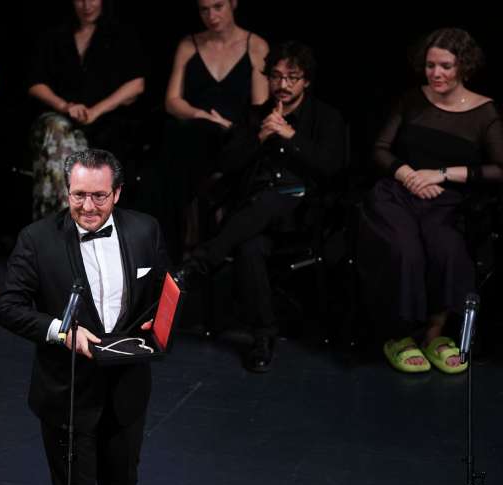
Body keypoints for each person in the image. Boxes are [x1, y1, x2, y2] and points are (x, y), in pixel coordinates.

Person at [0, 149, 168, 485]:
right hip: (68, 393)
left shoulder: (145, 230)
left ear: (117, 192)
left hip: (127, 389)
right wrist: (63, 332)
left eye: (99, 196)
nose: (88, 207)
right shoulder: (37, 239)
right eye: (79, 195)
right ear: (66, 191)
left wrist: (156, 322)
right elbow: (8, 308)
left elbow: (161, 291)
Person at [178, 41, 347, 372]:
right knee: (250, 245)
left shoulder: (325, 117)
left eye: (292, 78)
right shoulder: (255, 115)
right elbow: (226, 164)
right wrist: (259, 138)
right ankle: (263, 338)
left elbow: (333, 167)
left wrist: (290, 136)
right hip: (254, 215)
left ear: (306, 81)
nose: (283, 84)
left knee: (271, 200)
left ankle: (200, 261)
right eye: (276, 76)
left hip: (302, 212)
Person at [358, 28, 503, 374]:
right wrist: (409, 175)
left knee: (447, 250)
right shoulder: (411, 99)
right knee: (404, 250)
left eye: (445, 66)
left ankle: (434, 335)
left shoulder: (485, 112)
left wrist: (440, 173)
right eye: (430, 65)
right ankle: (401, 336)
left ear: (463, 66)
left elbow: (499, 168)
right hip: (398, 194)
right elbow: (380, 149)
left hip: (445, 200)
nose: (435, 73)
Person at [158, 0, 269, 262]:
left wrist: (230, 127)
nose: (211, 15)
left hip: (235, 134)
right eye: (204, 9)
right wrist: (201, 114)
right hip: (193, 130)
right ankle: (176, 247)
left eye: (218, 7)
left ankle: (198, 241)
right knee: (178, 142)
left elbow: (260, 107)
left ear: (233, 4)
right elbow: (172, 101)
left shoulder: (255, 45)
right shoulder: (189, 44)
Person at [27, 0, 146, 219]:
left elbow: (136, 85)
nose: (86, 5)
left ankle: (67, 220)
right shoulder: (55, 35)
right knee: (57, 129)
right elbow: (35, 83)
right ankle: (65, 218)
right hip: (59, 119)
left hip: (106, 122)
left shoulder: (119, 34)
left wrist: (96, 111)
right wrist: (66, 106)